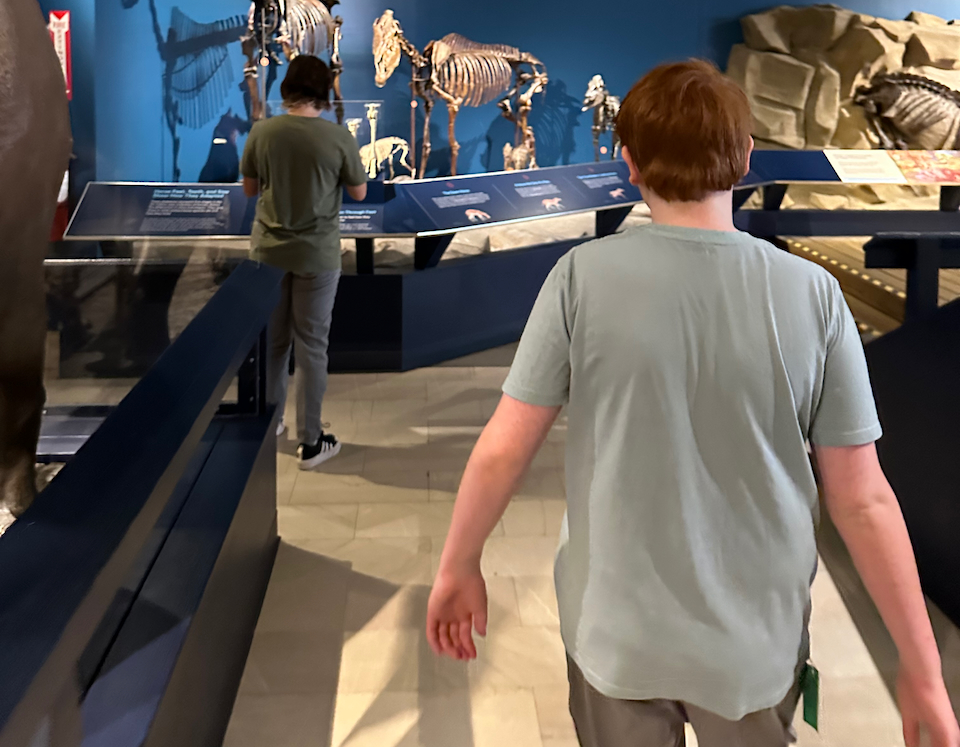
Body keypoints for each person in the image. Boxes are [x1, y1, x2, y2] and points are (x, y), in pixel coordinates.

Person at [426, 59, 960, 747]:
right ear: (745, 156)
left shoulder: (579, 278)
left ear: (627, 163)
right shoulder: (814, 294)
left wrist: (458, 564)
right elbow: (861, 499)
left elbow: (504, 448)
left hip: (615, 631)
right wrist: (922, 667)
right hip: (754, 644)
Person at [241, 55, 367, 468]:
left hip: (269, 253)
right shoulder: (338, 137)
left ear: (287, 87)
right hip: (317, 254)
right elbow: (360, 192)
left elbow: (249, 189)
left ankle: (270, 421)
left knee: (274, 342)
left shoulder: (262, 131)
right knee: (312, 346)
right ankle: (310, 442)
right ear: (325, 91)